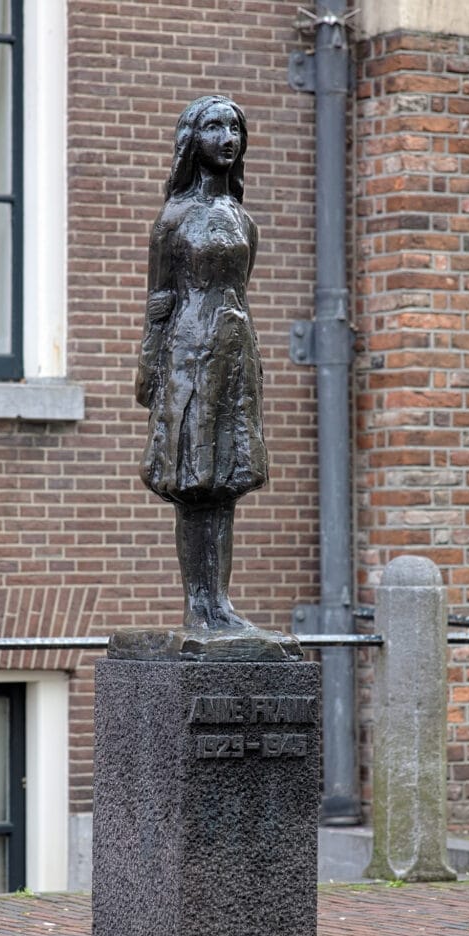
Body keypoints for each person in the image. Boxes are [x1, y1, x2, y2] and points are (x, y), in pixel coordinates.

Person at [136, 95, 268, 630]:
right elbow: (160, 298)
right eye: (214, 126)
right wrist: (149, 364)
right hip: (188, 350)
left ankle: (222, 604)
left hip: (233, 352)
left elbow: (242, 289)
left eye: (234, 127)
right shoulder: (173, 219)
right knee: (193, 480)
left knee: (227, 481)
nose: (227, 137)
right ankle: (198, 603)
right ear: (193, 139)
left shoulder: (242, 218)